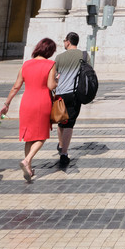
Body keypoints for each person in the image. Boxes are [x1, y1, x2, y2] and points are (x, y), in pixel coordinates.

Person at [0, 38, 58, 183]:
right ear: (49, 51)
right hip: (42, 101)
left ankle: (29, 169)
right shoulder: (50, 64)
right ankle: (27, 160)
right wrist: (57, 80)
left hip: (27, 102)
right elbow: (51, 86)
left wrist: (7, 103)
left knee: (29, 136)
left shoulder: (26, 64)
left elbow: (16, 86)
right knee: (42, 136)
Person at [49, 32, 85, 170]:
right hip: (74, 93)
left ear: (68, 42)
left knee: (60, 120)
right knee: (70, 123)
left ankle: (61, 144)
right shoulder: (84, 56)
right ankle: (64, 153)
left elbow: (54, 75)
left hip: (60, 94)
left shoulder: (59, 57)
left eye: (64, 41)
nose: (64, 43)